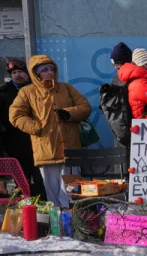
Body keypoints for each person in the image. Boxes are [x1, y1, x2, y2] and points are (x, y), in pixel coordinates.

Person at [9, 55, 92, 207]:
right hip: (46, 149)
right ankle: (58, 223)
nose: (49, 72)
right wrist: (36, 128)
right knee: (52, 193)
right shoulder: (27, 92)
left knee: (71, 191)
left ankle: (74, 220)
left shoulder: (66, 88)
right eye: (44, 70)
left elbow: (85, 106)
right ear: (36, 73)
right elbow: (15, 115)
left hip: (70, 149)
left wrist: (69, 113)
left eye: (51, 69)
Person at [0, 60, 46, 199]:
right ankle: (23, 209)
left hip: (38, 142)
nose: (17, 75)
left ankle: (42, 206)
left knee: (40, 179)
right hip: (14, 144)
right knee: (20, 180)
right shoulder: (3, 93)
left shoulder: (38, 89)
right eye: (14, 73)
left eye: (20, 72)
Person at [98, 42, 133, 150]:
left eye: (117, 66)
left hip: (126, 127)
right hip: (125, 127)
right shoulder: (119, 78)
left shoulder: (124, 78)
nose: (116, 69)